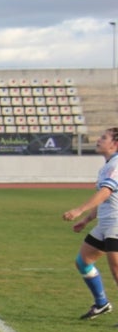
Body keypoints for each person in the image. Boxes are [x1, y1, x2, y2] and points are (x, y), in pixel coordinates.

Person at [61, 127, 118, 321]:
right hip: (106, 223)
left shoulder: (116, 164)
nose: (99, 140)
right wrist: (86, 220)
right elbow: (104, 199)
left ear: (115, 144)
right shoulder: (107, 165)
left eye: (104, 138)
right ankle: (102, 303)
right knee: (83, 261)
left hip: (116, 223)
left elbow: (105, 193)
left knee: (116, 268)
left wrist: (79, 210)